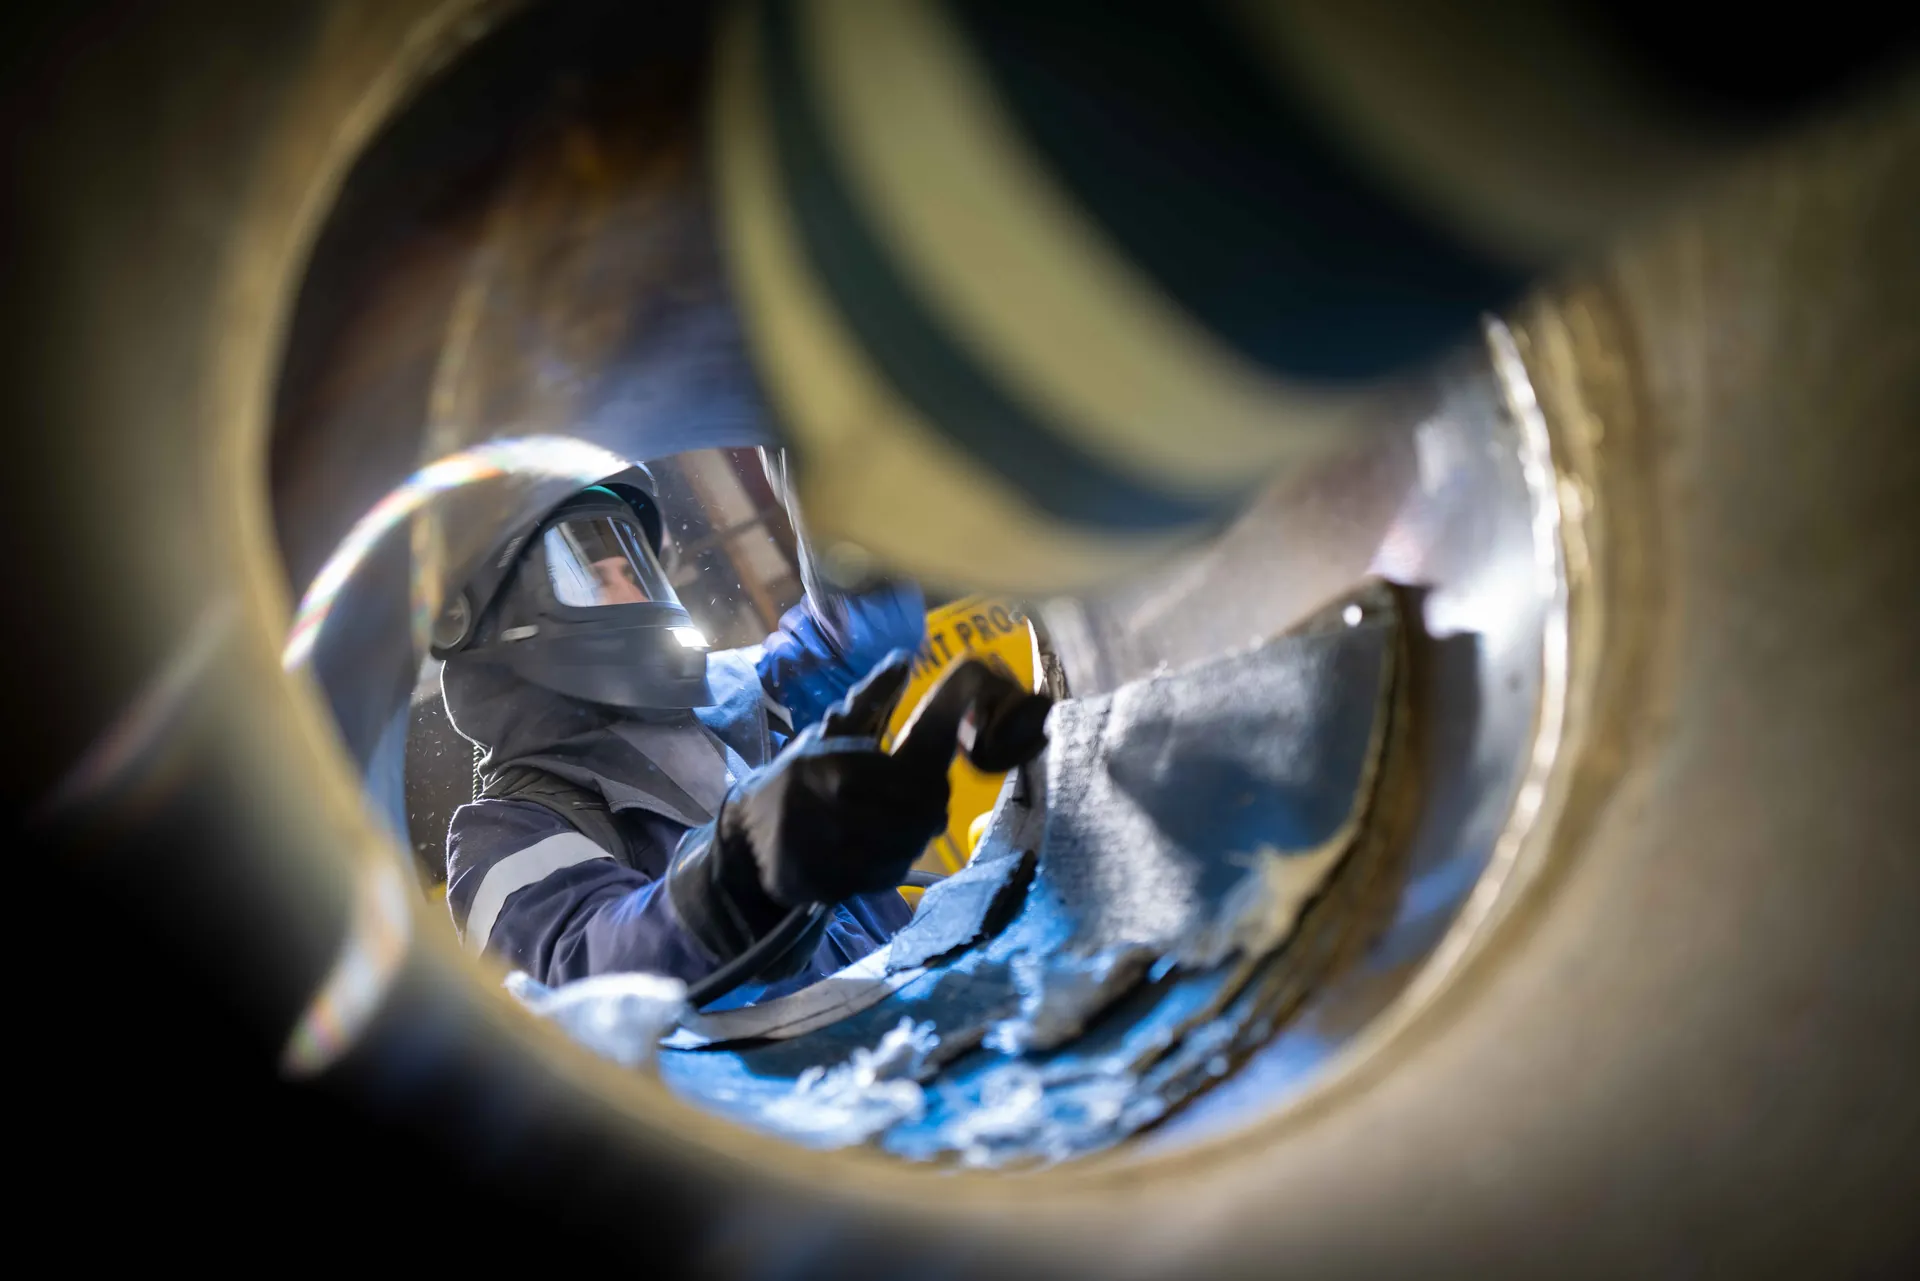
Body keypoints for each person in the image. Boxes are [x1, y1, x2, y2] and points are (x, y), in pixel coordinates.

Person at [432, 462, 956, 1006]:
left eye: (633, 568)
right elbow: (586, 975)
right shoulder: (505, 831)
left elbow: (859, 643)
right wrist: (735, 883)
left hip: (915, 1025)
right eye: (590, 576)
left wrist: (823, 485)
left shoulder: (734, 695)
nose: (631, 592)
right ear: (495, 616)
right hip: (780, 1084)